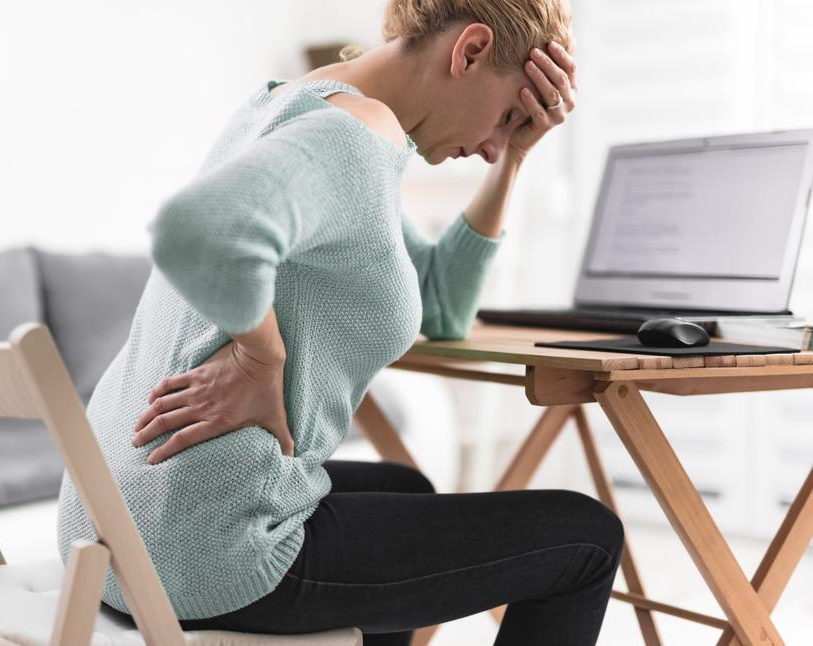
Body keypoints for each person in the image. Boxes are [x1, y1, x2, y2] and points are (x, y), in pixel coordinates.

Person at [56, 0, 625, 644]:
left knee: (405, 488)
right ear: (467, 52)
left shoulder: (291, 108)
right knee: (588, 538)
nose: (493, 147)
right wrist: (259, 359)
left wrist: (518, 157)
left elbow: (440, 306)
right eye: (506, 118)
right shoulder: (352, 137)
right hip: (201, 556)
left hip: (111, 530)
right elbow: (201, 229)